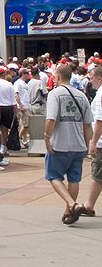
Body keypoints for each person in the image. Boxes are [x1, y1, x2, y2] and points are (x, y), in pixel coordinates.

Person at [44, 64, 92, 224]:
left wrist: (46, 137)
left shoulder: (55, 94)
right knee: (74, 179)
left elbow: (51, 119)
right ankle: (69, 211)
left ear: (57, 77)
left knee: (53, 176)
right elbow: (87, 125)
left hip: (60, 144)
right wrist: (86, 144)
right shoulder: (82, 96)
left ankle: (72, 204)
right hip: (78, 145)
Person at [78, 65, 102, 217]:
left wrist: (93, 142)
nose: (90, 80)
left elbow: (100, 121)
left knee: (98, 173)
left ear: (99, 78)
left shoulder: (100, 94)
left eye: (92, 77)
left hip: (101, 142)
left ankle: (89, 205)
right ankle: (89, 204)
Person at [14, 67, 31, 148]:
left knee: (23, 125)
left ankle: (24, 141)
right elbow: (16, 95)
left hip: (26, 106)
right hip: (22, 106)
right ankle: (16, 140)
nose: (29, 75)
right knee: (26, 125)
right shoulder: (18, 83)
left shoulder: (25, 83)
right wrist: (20, 105)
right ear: (23, 74)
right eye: (27, 73)